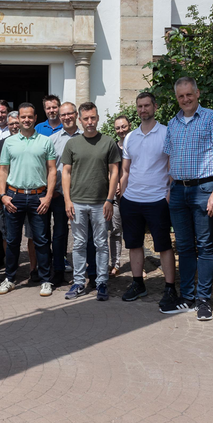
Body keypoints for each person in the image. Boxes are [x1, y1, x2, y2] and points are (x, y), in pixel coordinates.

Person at [164, 77, 213, 321]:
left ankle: (203, 299)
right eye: (181, 96)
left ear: (197, 93)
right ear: (176, 98)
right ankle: (187, 297)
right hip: (178, 190)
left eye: (189, 94)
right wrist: (170, 185)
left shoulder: (212, 118)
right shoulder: (172, 123)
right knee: (184, 246)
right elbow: (169, 157)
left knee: (205, 246)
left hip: (204, 189)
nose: (185, 99)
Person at [119, 93, 175, 307]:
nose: (143, 110)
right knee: (134, 244)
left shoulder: (166, 133)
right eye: (139, 106)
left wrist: (167, 193)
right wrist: (123, 196)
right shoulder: (131, 136)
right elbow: (125, 170)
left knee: (163, 245)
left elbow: (172, 165)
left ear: (155, 106)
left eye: (146, 106)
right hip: (131, 199)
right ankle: (138, 283)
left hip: (157, 200)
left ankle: (170, 287)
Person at [62, 102, 121, 302]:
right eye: (86, 118)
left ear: (97, 118)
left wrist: (110, 200)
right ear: (80, 120)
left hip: (100, 203)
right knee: (78, 244)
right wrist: (67, 200)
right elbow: (66, 173)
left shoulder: (108, 142)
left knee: (101, 244)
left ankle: (102, 282)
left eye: (93, 118)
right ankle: (78, 282)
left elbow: (114, 172)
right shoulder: (72, 144)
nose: (90, 122)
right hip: (77, 202)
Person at [0, 103, 57, 296]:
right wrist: (3, 195)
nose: (26, 120)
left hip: (39, 197)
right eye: (23, 117)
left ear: (35, 117)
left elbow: (52, 170)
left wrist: (48, 196)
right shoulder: (10, 142)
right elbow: (3, 170)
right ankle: (10, 278)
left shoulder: (45, 141)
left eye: (30, 117)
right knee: (13, 240)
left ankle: (45, 280)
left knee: (41, 240)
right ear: (18, 119)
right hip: (15, 197)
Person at [47, 102, 80, 287]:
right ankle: (58, 271)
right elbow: (48, 168)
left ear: (76, 115)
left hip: (82, 195)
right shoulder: (52, 140)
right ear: (59, 117)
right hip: (59, 195)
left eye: (70, 114)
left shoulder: (85, 137)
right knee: (59, 234)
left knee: (84, 235)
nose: (67, 117)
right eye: (63, 115)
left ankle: (86, 272)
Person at [0, 109, 19, 270]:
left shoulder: (29, 143)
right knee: (0, 228)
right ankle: (2, 258)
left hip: (21, 193)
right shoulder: (0, 145)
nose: (15, 126)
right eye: (12, 123)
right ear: (7, 126)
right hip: (2, 193)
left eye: (17, 123)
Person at [109, 115, 132, 276]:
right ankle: (115, 264)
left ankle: (139, 265)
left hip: (133, 194)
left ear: (129, 126)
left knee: (133, 230)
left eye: (123, 126)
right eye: (118, 128)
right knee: (116, 230)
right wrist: (115, 184)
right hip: (117, 197)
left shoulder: (137, 143)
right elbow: (109, 170)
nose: (121, 130)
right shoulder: (113, 147)